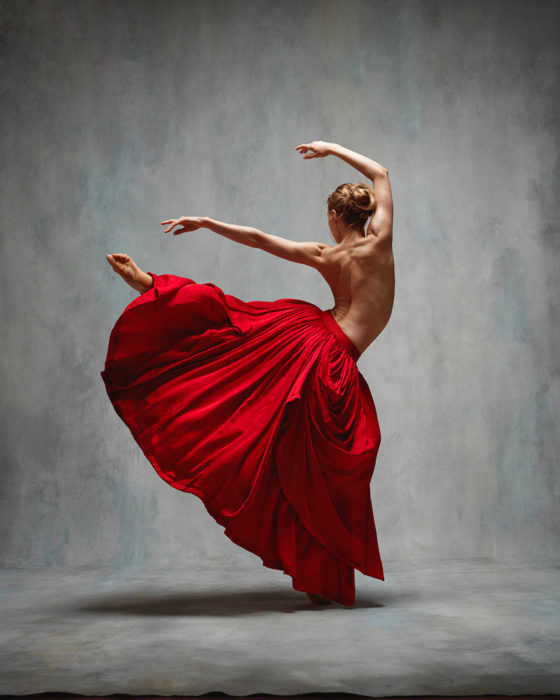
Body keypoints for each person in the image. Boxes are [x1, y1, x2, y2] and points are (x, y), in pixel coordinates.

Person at [101, 140, 394, 607]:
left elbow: (259, 239)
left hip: (321, 350)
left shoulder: (328, 254)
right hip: (329, 355)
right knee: (308, 464)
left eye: (329, 216)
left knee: (233, 326)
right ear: (367, 215)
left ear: (337, 218)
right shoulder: (381, 242)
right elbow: (380, 171)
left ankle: (154, 287)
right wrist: (330, 149)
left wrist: (207, 222)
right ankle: (320, 573)